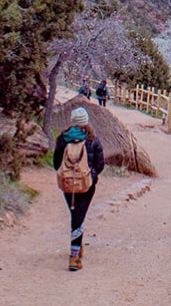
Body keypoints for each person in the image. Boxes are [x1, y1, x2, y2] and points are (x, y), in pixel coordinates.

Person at [53, 106, 104, 271]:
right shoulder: (93, 140)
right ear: (86, 122)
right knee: (78, 216)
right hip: (86, 185)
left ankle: (78, 244)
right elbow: (100, 165)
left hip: (67, 184)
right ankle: (74, 257)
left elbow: (55, 163)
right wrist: (92, 175)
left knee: (75, 215)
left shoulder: (62, 139)